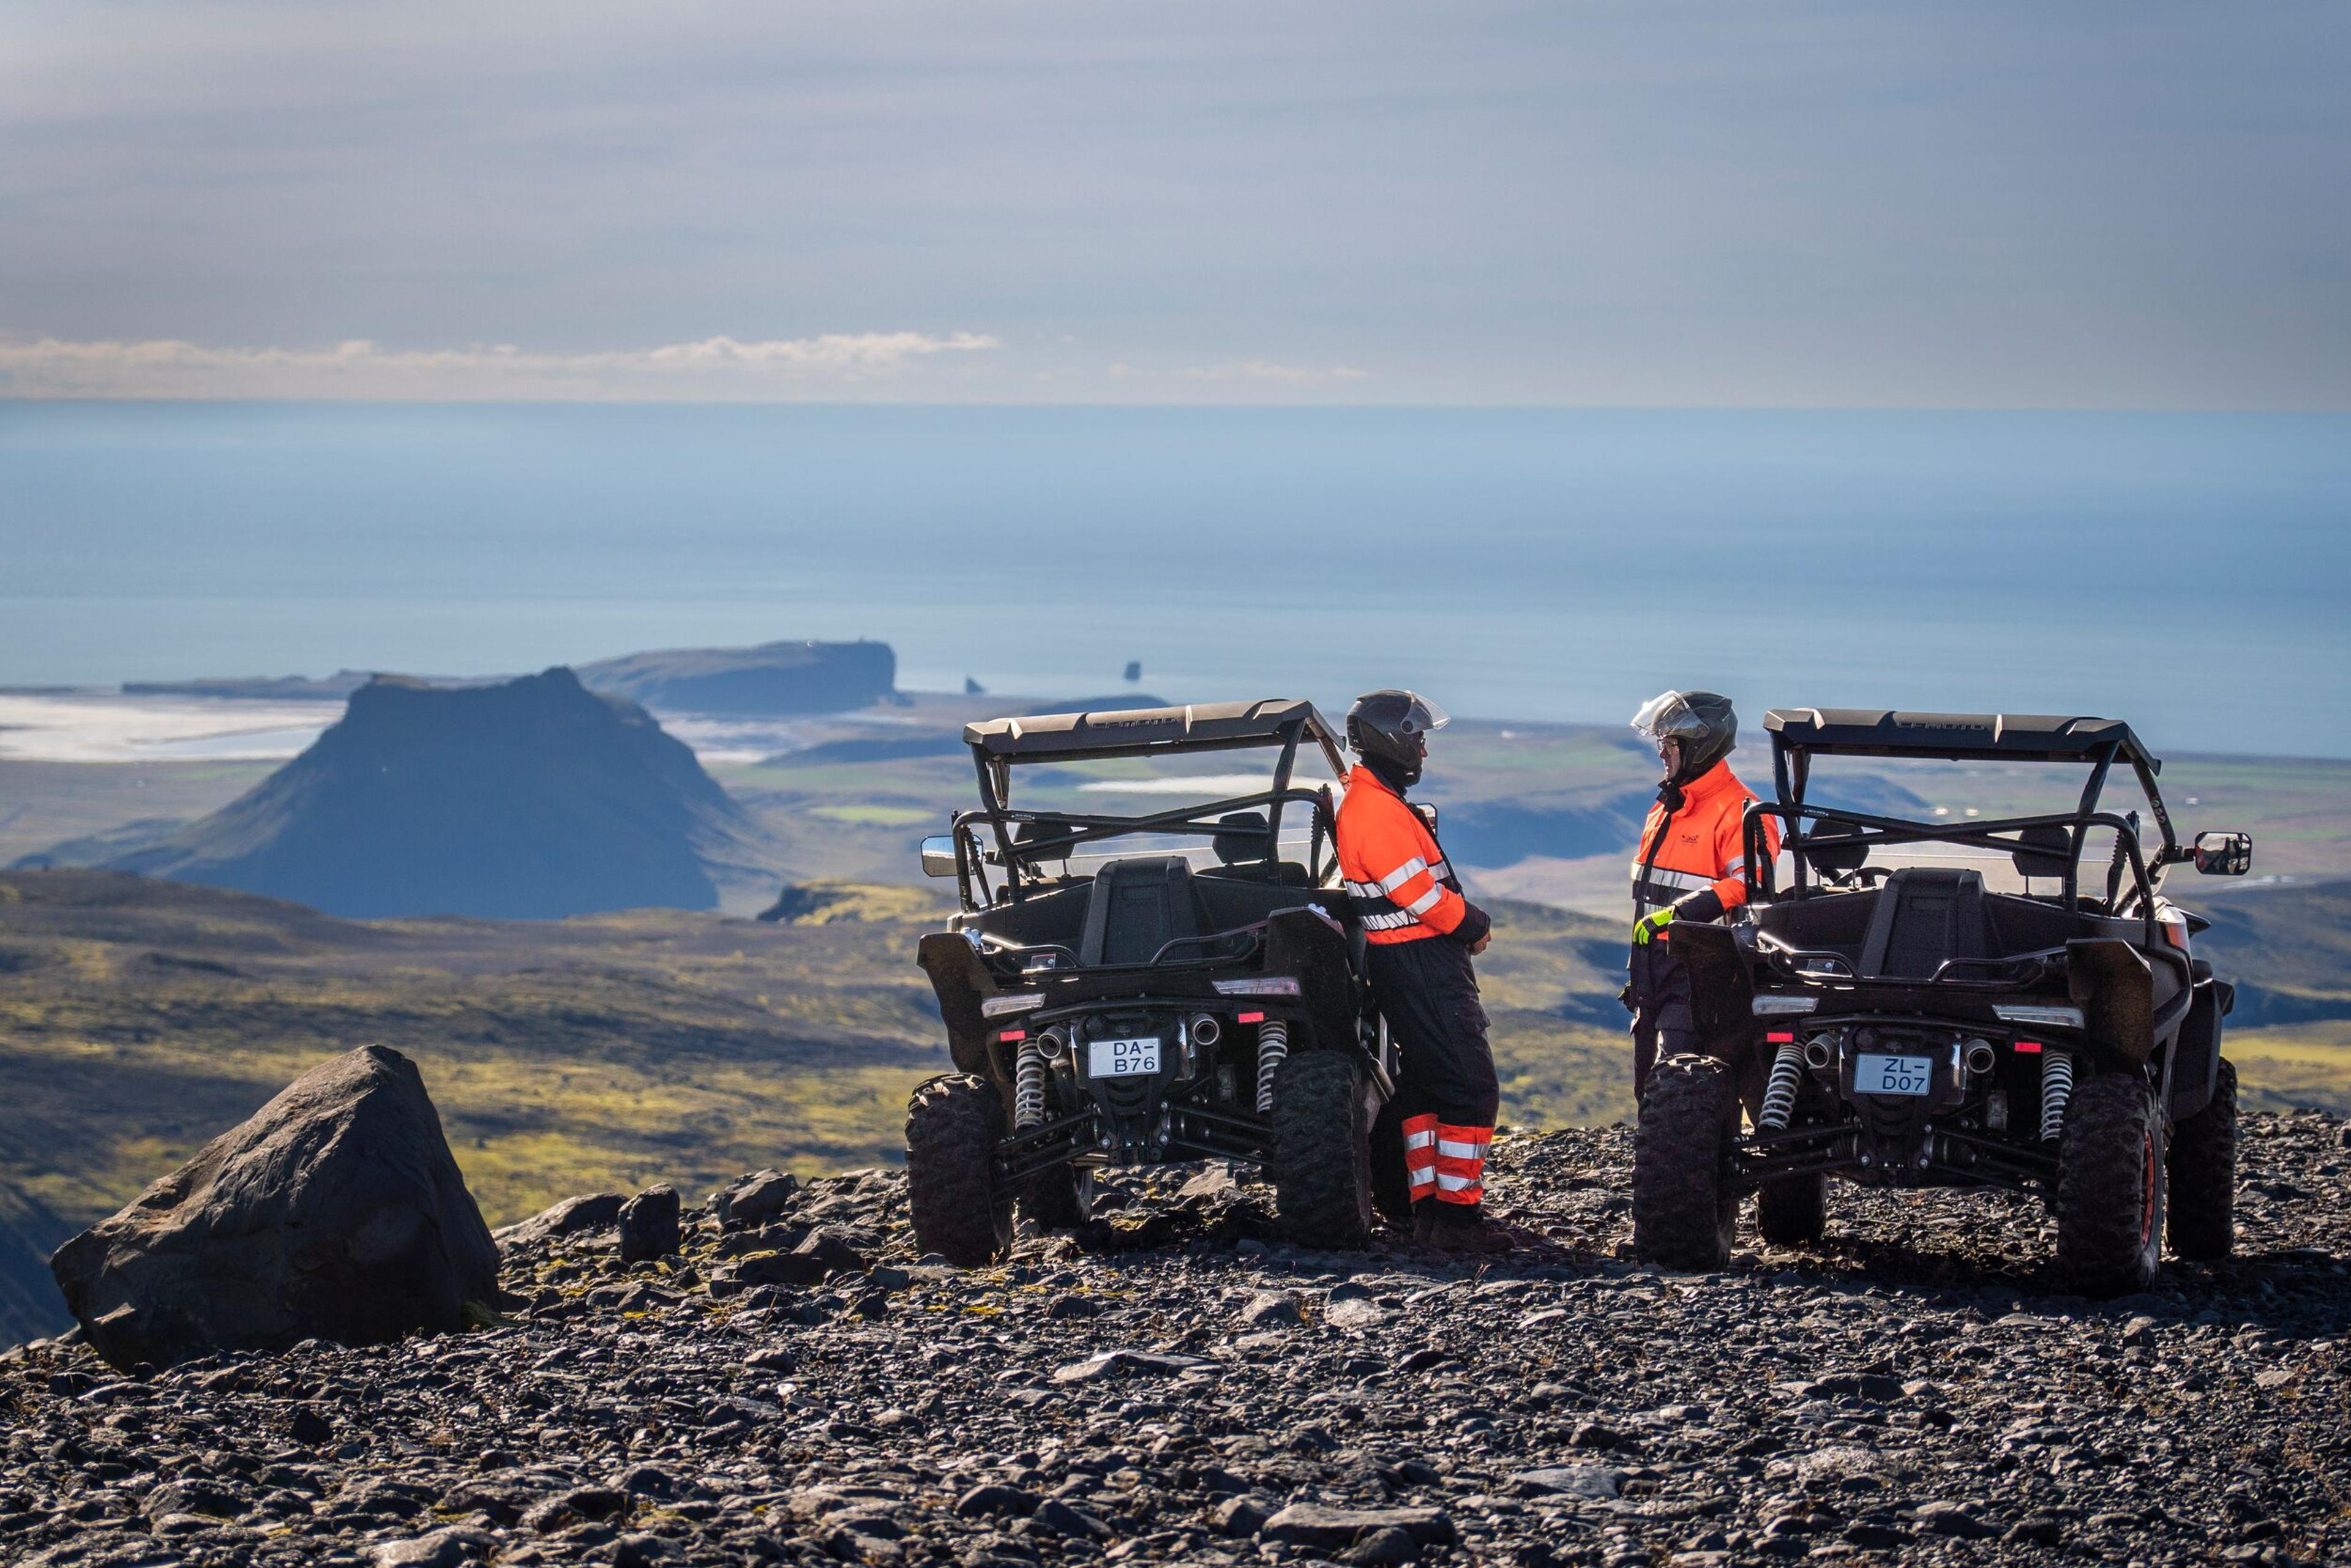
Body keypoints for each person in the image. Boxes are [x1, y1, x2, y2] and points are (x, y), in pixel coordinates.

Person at [1334, 689, 1504, 1250]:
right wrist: (1474, 923)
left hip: (1404, 963)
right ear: (1393, 739)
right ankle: (1457, 1222)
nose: (1424, 751)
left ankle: (1428, 1211)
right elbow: (1420, 895)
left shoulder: (1373, 801)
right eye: (1418, 737)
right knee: (1471, 1088)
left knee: (1428, 1090)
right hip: (1421, 961)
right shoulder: (1376, 810)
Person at [1624, 689, 1780, 1101]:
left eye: (1669, 743)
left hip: (1700, 971)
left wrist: (1683, 912)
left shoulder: (1742, 810)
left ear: (1699, 746)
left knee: (1679, 1090)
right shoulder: (1666, 807)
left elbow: (1752, 882)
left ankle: (1701, 1166)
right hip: (1651, 971)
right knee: (1650, 1093)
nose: (1661, 753)